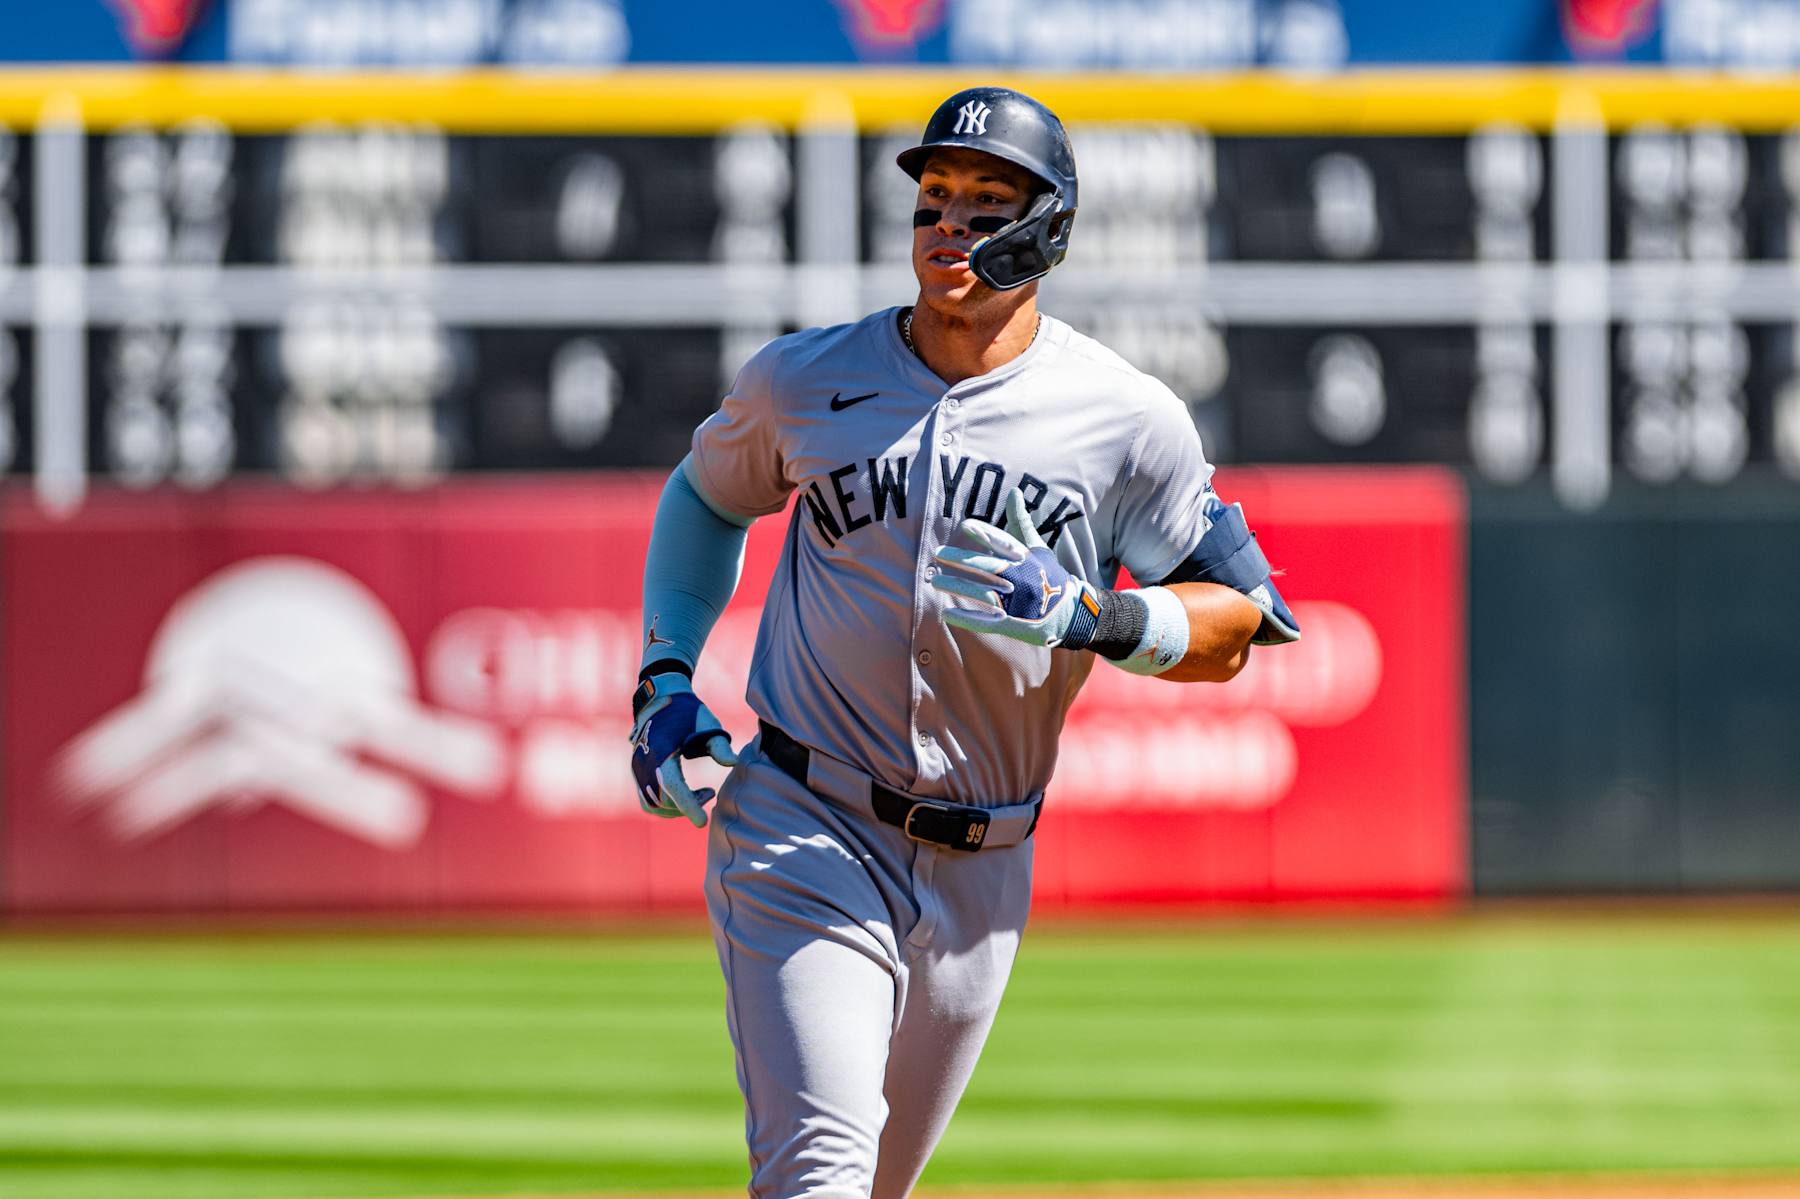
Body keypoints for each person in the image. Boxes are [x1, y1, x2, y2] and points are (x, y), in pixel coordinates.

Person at [628, 86, 1300, 1199]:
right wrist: (663, 674)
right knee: (820, 1177)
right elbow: (704, 497)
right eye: (934, 199)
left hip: (987, 860)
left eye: (988, 203)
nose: (949, 225)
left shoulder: (1123, 416)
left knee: (873, 1187)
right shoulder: (805, 379)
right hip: (806, 817)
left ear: (1049, 230)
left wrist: (1103, 617)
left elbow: (1244, 621)